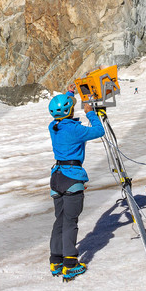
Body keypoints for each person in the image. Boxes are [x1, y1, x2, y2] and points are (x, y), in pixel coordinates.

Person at [48, 87, 104, 280]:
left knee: (60, 220)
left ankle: (56, 261)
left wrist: (70, 93)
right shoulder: (74, 129)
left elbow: (63, 109)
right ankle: (70, 263)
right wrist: (90, 112)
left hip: (57, 178)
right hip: (72, 176)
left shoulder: (53, 126)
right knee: (70, 221)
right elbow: (99, 131)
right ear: (69, 110)